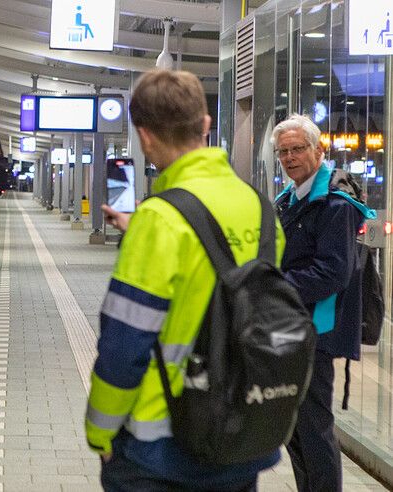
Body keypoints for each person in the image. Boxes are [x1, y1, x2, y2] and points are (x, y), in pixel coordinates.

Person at [85, 68, 284, 491]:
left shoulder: (159, 220)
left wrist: (100, 431)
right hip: (242, 432)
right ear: (206, 125)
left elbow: (124, 344)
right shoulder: (261, 209)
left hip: (161, 447)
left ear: (145, 136)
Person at [272, 114, 374, 492]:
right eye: (283, 151)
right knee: (293, 427)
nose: (289, 157)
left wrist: (274, 285)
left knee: (314, 426)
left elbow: (333, 273)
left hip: (317, 328)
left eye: (297, 149)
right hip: (291, 325)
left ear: (318, 150)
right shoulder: (291, 198)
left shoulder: (335, 203)